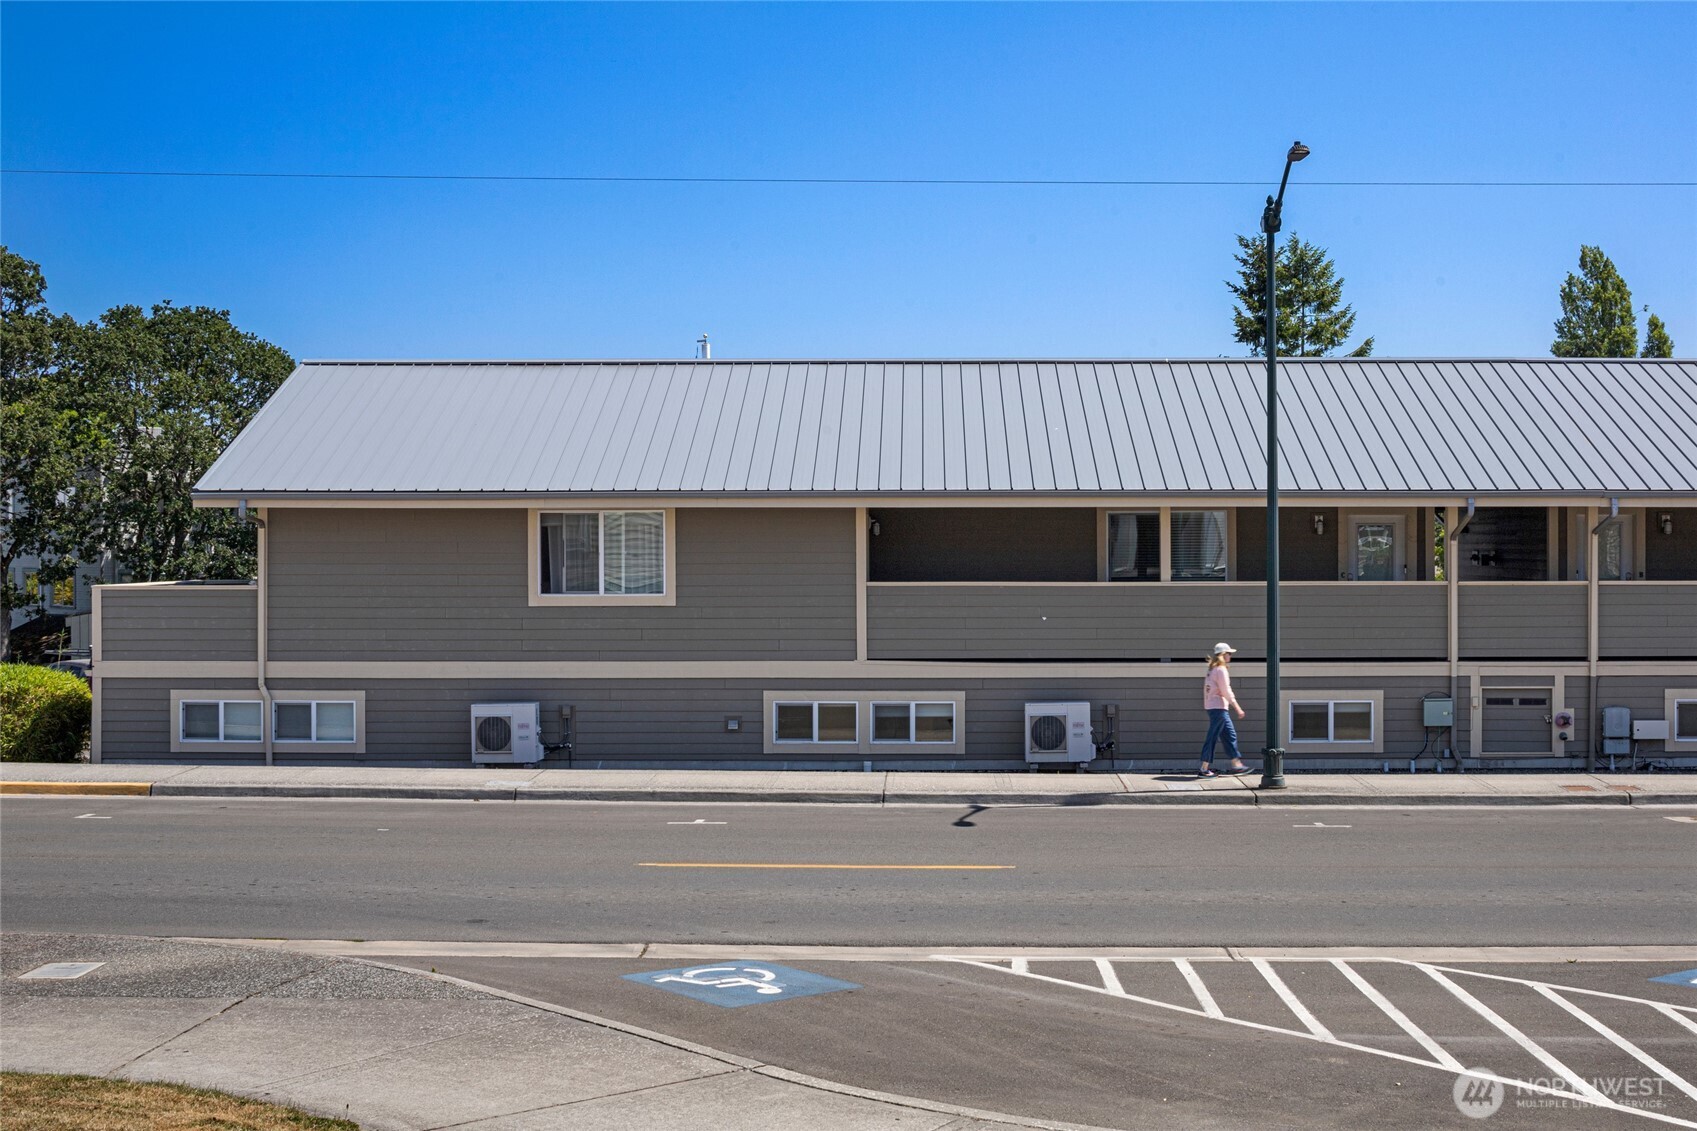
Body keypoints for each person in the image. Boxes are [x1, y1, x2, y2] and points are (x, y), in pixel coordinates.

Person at [1200, 642, 1250, 777]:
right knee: (1212, 737)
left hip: (1215, 707)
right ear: (1223, 655)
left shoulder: (1212, 670)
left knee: (1229, 735)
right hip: (1219, 708)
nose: (1230, 656)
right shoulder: (1221, 670)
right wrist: (1238, 708)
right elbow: (1226, 691)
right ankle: (1204, 768)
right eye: (1229, 653)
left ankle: (1236, 764)